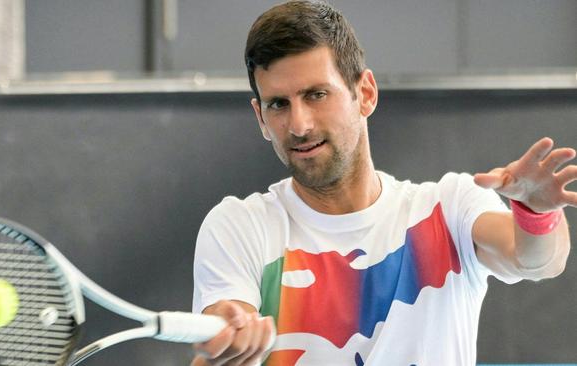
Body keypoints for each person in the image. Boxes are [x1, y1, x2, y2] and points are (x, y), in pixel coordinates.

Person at [191, 1, 576, 365]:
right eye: (278, 104)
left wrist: (536, 214)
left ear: (366, 94)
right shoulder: (238, 226)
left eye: (316, 94)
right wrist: (229, 344)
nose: (299, 125)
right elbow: (226, 333)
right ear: (260, 117)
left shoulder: (449, 207)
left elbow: (538, 260)